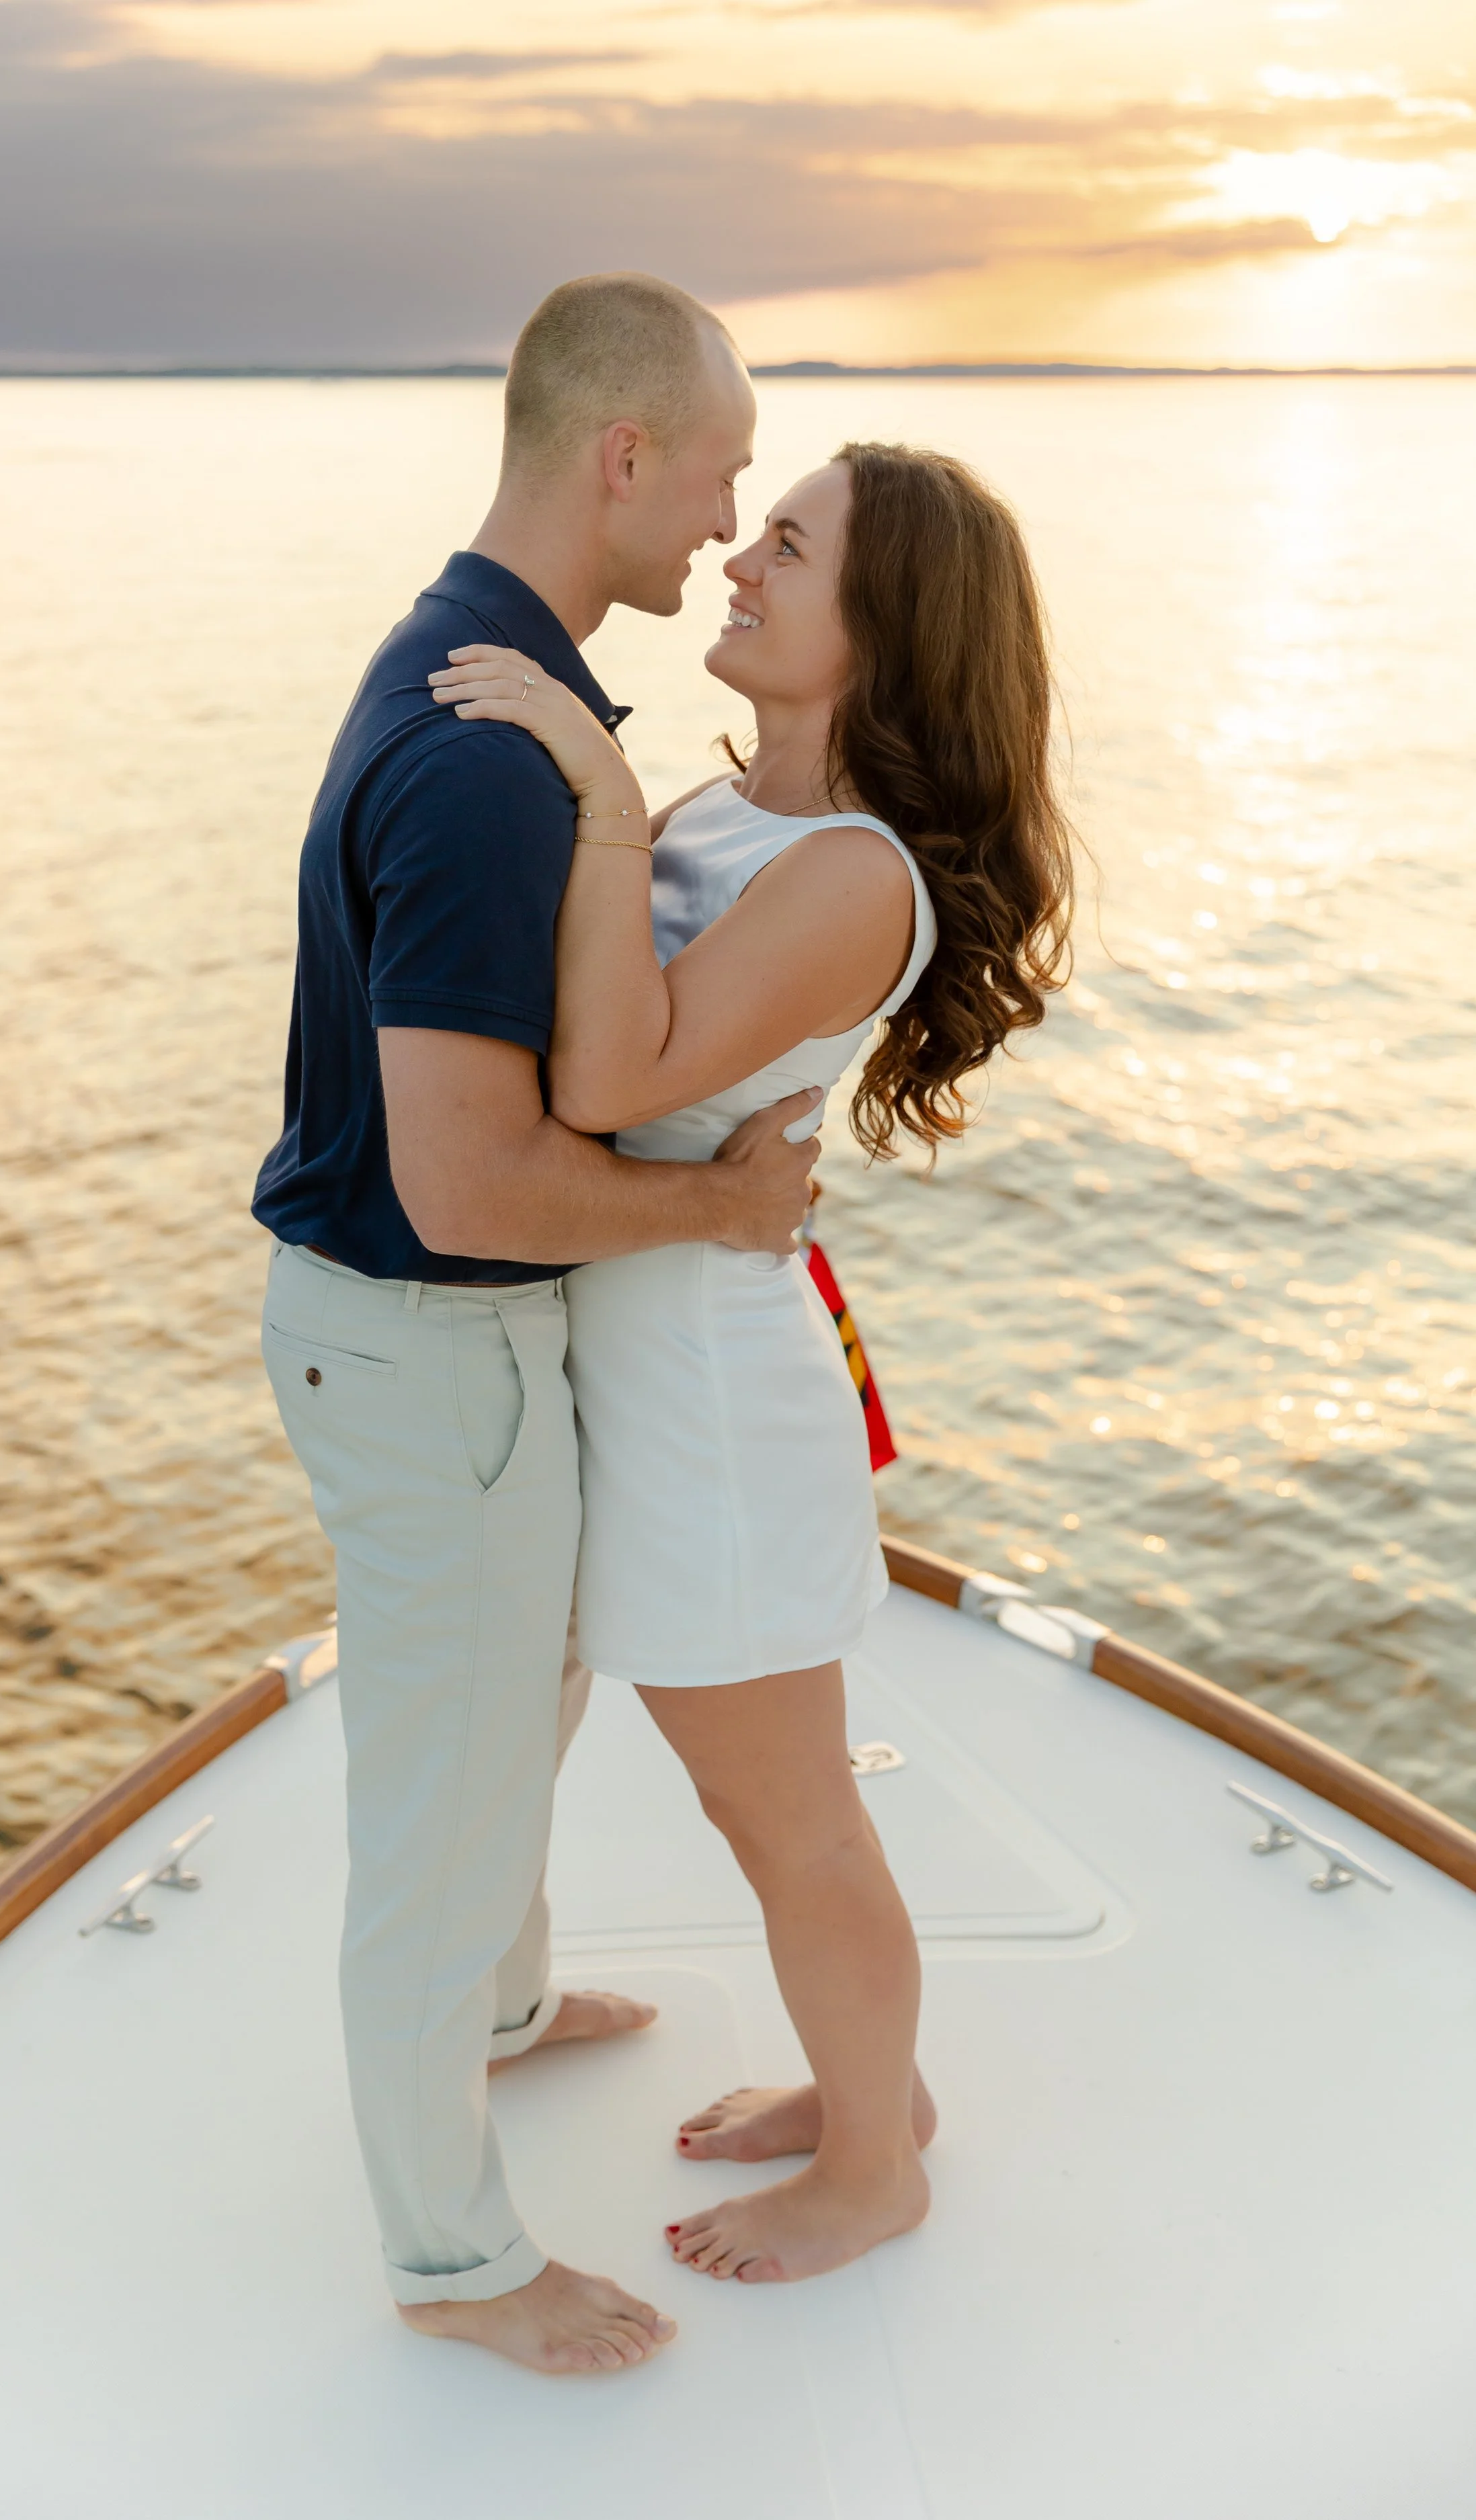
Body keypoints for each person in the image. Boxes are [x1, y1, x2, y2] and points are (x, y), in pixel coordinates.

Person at [428, 437, 1076, 2285]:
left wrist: (592, 787)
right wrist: (617, 810)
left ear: (882, 626)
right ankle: (874, 2092)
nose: (739, 559)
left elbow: (612, 1081)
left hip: (710, 1406)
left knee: (787, 1811)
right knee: (760, 1803)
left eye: (787, 546)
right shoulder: (733, 824)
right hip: (654, 1376)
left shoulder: (852, 874)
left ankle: (876, 2159)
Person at [251, 274, 821, 2376]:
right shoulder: (493, 759)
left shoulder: (474, 673)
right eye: (721, 470)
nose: (727, 516)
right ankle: (452, 2262)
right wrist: (722, 1201)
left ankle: (496, 2013)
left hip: (434, 1352)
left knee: (518, 1717)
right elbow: (464, 1181)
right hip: (425, 1347)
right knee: (448, 1806)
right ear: (620, 457)